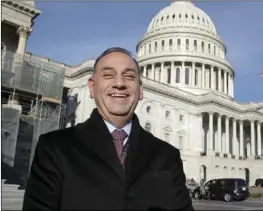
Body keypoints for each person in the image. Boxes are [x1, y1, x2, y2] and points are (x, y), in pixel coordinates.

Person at [22, 47, 194, 210]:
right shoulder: (54, 147)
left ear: (141, 90)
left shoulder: (168, 156)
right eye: (108, 75)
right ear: (92, 87)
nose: (119, 83)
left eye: (129, 76)